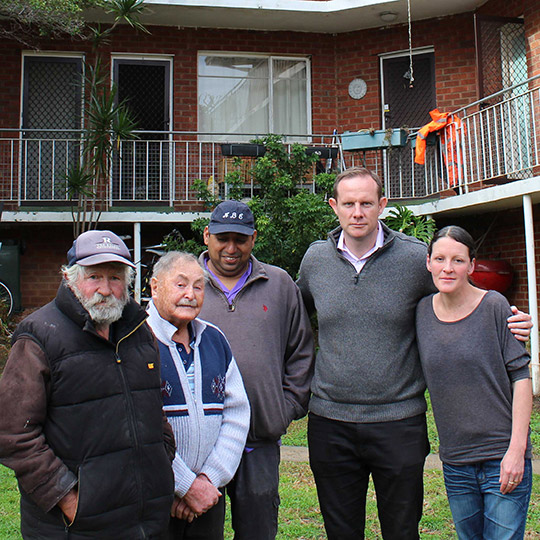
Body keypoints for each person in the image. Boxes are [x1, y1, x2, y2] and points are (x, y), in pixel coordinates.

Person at [296, 167, 532, 540]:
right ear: (334, 207)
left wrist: (509, 317)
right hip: (331, 421)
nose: (358, 212)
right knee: (340, 532)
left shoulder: (413, 258)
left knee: (402, 531)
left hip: (399, 420)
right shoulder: (315, 261)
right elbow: (296, 319)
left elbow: (455, 295)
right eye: (349, 204)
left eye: (367, 203)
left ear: (382, 206)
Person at [0, 230, 175, 540]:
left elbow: (152, 406)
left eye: (115, 278)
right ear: (70, 279)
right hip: (75, 526)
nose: (105, 289)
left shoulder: (139, 331)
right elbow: (13, 431)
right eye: (94, 276)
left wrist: (162, 457)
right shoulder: (39, 335)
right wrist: (68, 499)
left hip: (145, 519)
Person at [198, 199, 314, 539]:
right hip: (202, 446)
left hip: (259, 439)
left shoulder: (278, 284)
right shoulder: (186, 283)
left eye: (240, 239)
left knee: (258, 529)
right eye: (223, 238)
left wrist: (286, 408)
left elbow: (301, 352)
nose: (231, 248)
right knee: (202, 531)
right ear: (207, 236)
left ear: (253, 239)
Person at [416, 226, 532, 539]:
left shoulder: (495, 306)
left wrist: (516, 451)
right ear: (428, 262)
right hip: (456, 461)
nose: (447, 268)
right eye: (439, 258)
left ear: (471, 265)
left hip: (501, 457)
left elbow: (521, 377)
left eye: (457, 260)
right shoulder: (422, 313)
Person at [147, 251, 250, 540]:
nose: (190, 294)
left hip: (208, 498)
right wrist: (183, 485)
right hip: (154, 497)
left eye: (197, 286)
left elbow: (237, 414)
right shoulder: (135, 341)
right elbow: (137, 425)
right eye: (180, 285)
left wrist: (207, 481)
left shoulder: (214, 339)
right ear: (155, 287)